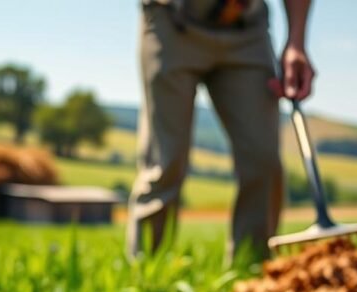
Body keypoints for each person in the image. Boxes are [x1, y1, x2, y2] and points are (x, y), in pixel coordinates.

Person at [126, 0, 315, 262]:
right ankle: (146, 278)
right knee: (166, 162)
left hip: (245, 27)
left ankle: (251, 279)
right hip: (171, 21)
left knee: (263, 160)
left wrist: (296, 42)